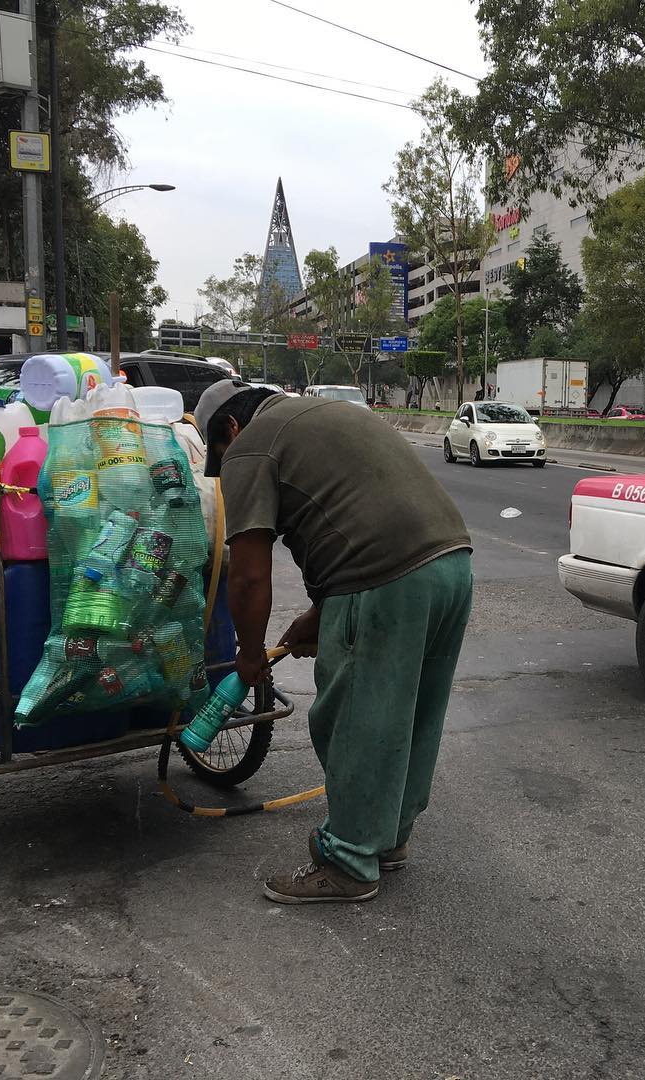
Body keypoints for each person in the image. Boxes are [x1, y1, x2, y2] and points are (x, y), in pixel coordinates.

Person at [197, 382, 473, 904]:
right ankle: (385, 839)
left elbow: (249, 575)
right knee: (412, 711)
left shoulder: (251, 442)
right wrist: (319, 616)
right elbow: (361, 512)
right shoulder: (322, 412)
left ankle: (348, 861)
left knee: (354, 719)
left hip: (384, 579)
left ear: (229, 429)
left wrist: (249, 652)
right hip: (452, 566)